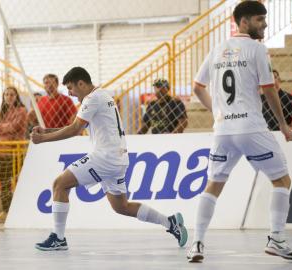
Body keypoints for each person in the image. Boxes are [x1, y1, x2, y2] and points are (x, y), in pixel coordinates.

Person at [187, 1, 292, 262]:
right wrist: (283, 124)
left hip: (223, 130)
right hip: (251, 128)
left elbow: (197, 87)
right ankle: (276, 239)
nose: (265, 24)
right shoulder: (257, 49)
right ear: (243, 22)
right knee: (282, 181)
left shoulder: (217, 49)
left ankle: (197, 243)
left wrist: (217, 111)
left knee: (213, 186)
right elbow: (269, 89)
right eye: (260, 20)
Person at [32, 67, 188, 251]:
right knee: (121, 206)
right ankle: (170, 223)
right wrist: (46, 130)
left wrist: (43, 139)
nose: (70, 93)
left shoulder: (92, 99)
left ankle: (58, 238)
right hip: (118, 159)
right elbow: (75, 125)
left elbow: (75, 129)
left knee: (60, 184)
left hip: (105, 158)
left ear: (81, 83)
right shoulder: (101, 95)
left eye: (71, 88)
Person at [0, 86, 28, 222]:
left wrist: (2, 127)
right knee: (4, 184)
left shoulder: (22, 111)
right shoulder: (1, 111)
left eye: (12, 94)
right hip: (2, 152)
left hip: (16, 151)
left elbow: (16, 126)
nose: (9, 97)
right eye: (6, 94)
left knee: (18, 182)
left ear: (16, 96)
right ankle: (6, 211)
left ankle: (20, 211)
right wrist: (6, 127)